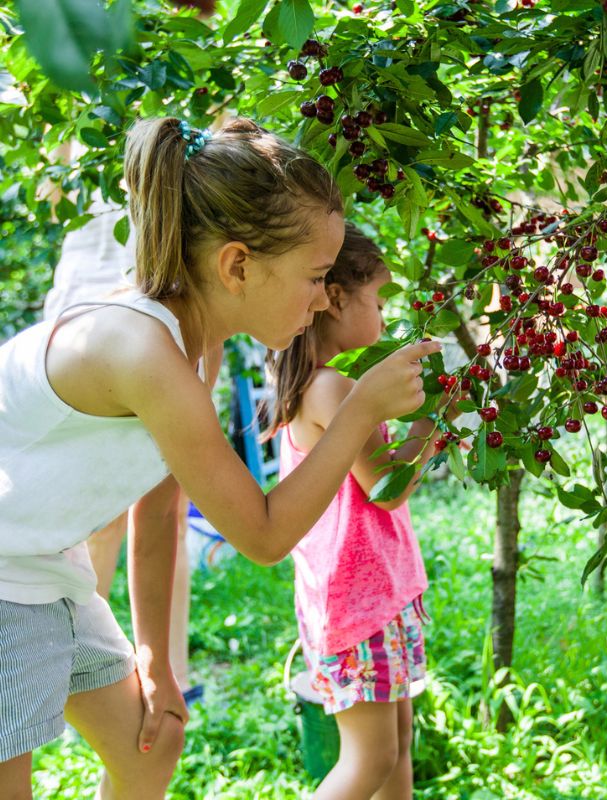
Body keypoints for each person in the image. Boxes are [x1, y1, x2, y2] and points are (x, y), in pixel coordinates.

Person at [0, 117, 440, 800]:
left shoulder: (192, 349)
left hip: (43, 567)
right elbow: (262, 535)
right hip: (4, 580)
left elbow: (161, 509)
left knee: (150, 751)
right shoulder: (142, 352)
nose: (325, 298)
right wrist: (360, 413)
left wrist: (154, 655)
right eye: (317, 276)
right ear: (237, 265)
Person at [266, 224, 457, 800]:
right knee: (370, 760)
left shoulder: (333, 385)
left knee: (395, 750)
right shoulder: (328, 389)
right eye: (378, 300)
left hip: (377, 597)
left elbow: (385, 471)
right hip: (356, 603)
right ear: (338, 297)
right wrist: (434, 415)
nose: (384, 317)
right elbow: (389, 487)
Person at [42, 190, 198, 701]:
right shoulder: (73, 117)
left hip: (167, 288)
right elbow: (54, 202)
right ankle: (86, 669)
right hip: (86, 293)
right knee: (96, 513)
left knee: (166, 500)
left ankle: (169, 669)